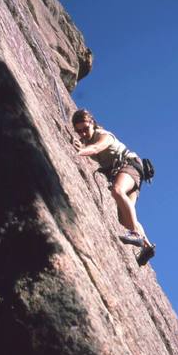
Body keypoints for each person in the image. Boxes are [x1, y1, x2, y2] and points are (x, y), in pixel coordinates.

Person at [71, 109, 155, 265]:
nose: (82, 133)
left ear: (92, 124)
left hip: (130, 167)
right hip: (126, 173)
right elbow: (88, 146)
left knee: (117, 191)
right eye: (79, 131)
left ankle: (136, 234)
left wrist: (80, 151)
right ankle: (147, 247)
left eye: (85, 129)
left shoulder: (104, 136)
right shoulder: (87, 141)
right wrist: (80, 145)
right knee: (125, 219)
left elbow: (96, 148)